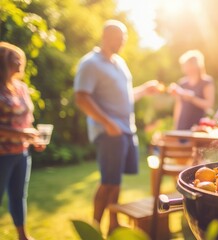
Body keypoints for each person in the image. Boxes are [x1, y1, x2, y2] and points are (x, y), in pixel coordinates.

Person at [73, 20, 161, 234]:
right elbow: (81, 98)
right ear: (106, 36)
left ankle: (113, 224)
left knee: (116, 180)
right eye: (119, 38)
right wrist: (108, 123)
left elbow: (125, 97)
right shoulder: (91, 63)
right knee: (108, 181)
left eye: (124, 38)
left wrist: (144, 90)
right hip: (109, 131)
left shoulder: (119, 63)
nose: (122, 42)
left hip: (126, 130)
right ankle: (94, 230)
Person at [0, 42, 46, 240]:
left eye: (20, 58)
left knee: (19, 196)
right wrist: (23, 134)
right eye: (13, 59)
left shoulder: (21, 88)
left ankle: (22, 236)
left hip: (21, 153)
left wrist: (34, 137)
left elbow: (27, 120)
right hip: (2, 155)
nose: (19, 62)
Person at [168, 50, 215, 130]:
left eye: (186, 65)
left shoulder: (206, 82)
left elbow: (209, 104)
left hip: (199, 125)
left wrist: (192, 99)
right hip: (182, 125)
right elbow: (178, 106)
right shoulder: (182, 83)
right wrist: (175, 126)